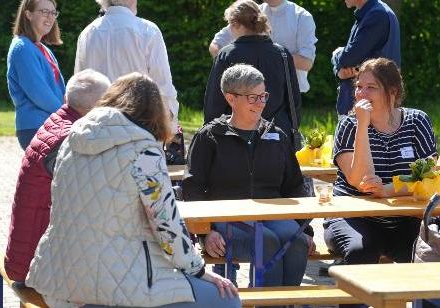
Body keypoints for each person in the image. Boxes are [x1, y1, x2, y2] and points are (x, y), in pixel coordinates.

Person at [26, 73, 240, 308]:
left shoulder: (72, 140)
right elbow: (167, 227)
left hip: (59, 280)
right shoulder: (144, 151)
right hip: (113, 285)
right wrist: (199, 271)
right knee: (226, 298)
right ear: (155, 114)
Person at [183, 64, 314, 287]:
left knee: (298, 241)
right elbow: (192, 188)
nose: (261, 103)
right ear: (230, 98)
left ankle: (284, 305)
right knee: (268, 242)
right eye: (253, 98)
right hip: (227, 221)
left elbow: (294, 186)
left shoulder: (276, 135)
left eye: (263, 96)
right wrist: (206, 233)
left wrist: (306, 229)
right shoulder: (210, 137)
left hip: (273, 216)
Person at [324, 58, 437, 308]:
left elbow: (429, 172)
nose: (361, 93)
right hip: (353, 216)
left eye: (371, 87)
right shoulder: (348, 125)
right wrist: (362, 126)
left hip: (403, 217)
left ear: (392, 91)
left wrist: (388, 189)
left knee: (429, 252)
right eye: (358, 87)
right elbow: (357, 179)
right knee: (361, 250)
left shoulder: (417, 121)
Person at [4, 69, 110, 283]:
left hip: (24, 256)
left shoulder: (57, 122)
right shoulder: (70, 138)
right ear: (97, 108)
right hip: (36, 266)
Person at [74, 0, 180, 134]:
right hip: (139, 129)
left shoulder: (87, 33)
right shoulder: (148, 30)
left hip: (97, 129)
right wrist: (171, 127)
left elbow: (79, 88)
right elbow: (163, 88)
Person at [204, 0, 301, 146]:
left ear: (235, 24)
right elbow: (294, 100)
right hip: (278, 136)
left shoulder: (227, 55)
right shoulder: (282, 54)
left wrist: (210, 136)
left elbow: (214, 102)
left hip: (236, 138)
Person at [209, 0, 317, 93]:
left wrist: (268, 55)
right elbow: (215, 45)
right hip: (248, 92)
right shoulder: (252, 12)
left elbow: (306, 63)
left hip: (287, 93)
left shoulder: (302, 16)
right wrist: (231, 70)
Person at [7, 0, 65, 149]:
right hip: (36, 127)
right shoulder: (22, 48)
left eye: (53, 13)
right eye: (44, 12)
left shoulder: (43, 49)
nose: (50, 17)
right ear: (28, 14)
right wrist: (66, 114)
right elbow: (39, 93)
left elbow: (59, 90)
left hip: (52, 125)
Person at [332, 0, 400, 116]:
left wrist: (336, 53)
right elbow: (346, 63)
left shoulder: (377, 15)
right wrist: (338, 72)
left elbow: (347, 59)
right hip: (364, 105)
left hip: (369, 108)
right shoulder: (371, 12)